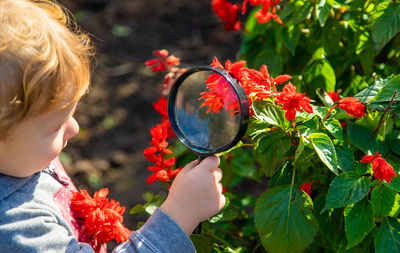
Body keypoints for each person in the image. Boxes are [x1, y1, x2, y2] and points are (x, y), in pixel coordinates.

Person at [0, 0, 226, 252]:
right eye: (54, 127)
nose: (73, 129)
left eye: (69, 114)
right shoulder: (16, 231)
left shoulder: (18, 155)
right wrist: (180, 215)